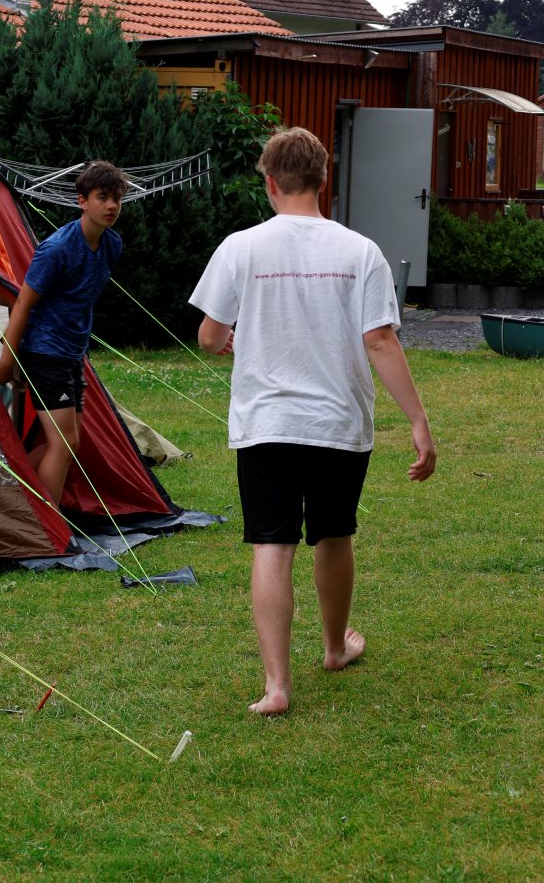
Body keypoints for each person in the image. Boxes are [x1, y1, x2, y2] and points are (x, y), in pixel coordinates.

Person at [189, 126, 436, 716]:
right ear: (324, 180)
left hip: (266, 423)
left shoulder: (240, 247)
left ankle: (277, 687)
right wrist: (418, 421)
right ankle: (333, 648)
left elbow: (209, 336)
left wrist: (226, 338)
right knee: (334, 534)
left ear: (271, 184)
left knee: (271, 544)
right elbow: (379, 340)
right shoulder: (360, 251)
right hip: (338, 423)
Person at [0, 160, 127, 506]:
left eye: (116, 198)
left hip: (71, 353)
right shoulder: (57, 249)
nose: (111, 206)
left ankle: (10, 496)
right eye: (102, 197)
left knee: (70, 444)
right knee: (64, 444)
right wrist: (7, 360)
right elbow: (22, 303)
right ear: (82, 201)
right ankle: (50, 528)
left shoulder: (112, 245)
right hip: (43, 352)